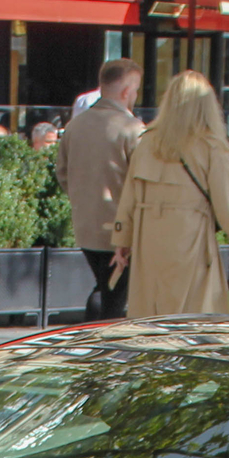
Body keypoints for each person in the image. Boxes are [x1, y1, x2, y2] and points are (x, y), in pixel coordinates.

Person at [110, 70, 229, 319]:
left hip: (149, 241)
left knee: (151, 315)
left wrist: (122, 240)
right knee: (193, 317)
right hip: (191, 239)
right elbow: (228, 201)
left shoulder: (147, 143)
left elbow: (129, 197)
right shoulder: (211, 147)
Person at [58, 59, 142, 321]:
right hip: (120, 228)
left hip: (85, 225)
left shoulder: (74, 126)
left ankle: (95, 346)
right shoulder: (133, 130)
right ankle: (102, 351)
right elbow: (143, 182)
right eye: (136, 89)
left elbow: (62, 174)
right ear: (126, 91)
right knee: (113, 295)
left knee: (105, 288)